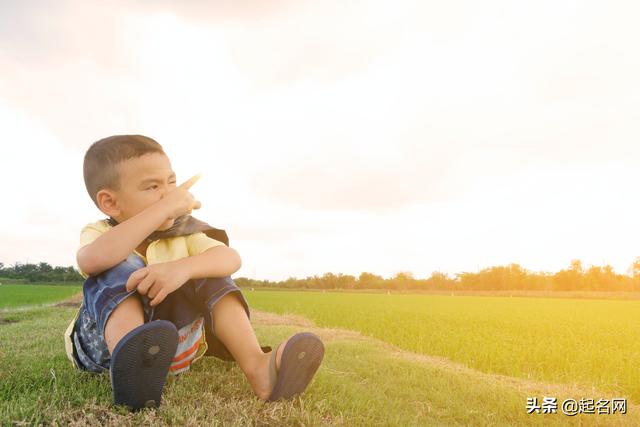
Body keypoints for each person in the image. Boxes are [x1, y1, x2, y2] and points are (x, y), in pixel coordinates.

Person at [63, 134, 324, 410]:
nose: (171, 196)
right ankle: (132, 364)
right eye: (153, 187)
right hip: (103, 351)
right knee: (116, 265)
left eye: (172, 183)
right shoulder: (101, 233)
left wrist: (182, 268)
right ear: (111, 203)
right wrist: (164, 208)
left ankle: (260, 368)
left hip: (174, 348)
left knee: (209, 268)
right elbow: (92, 259)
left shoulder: (184, 233)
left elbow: (230, 258)